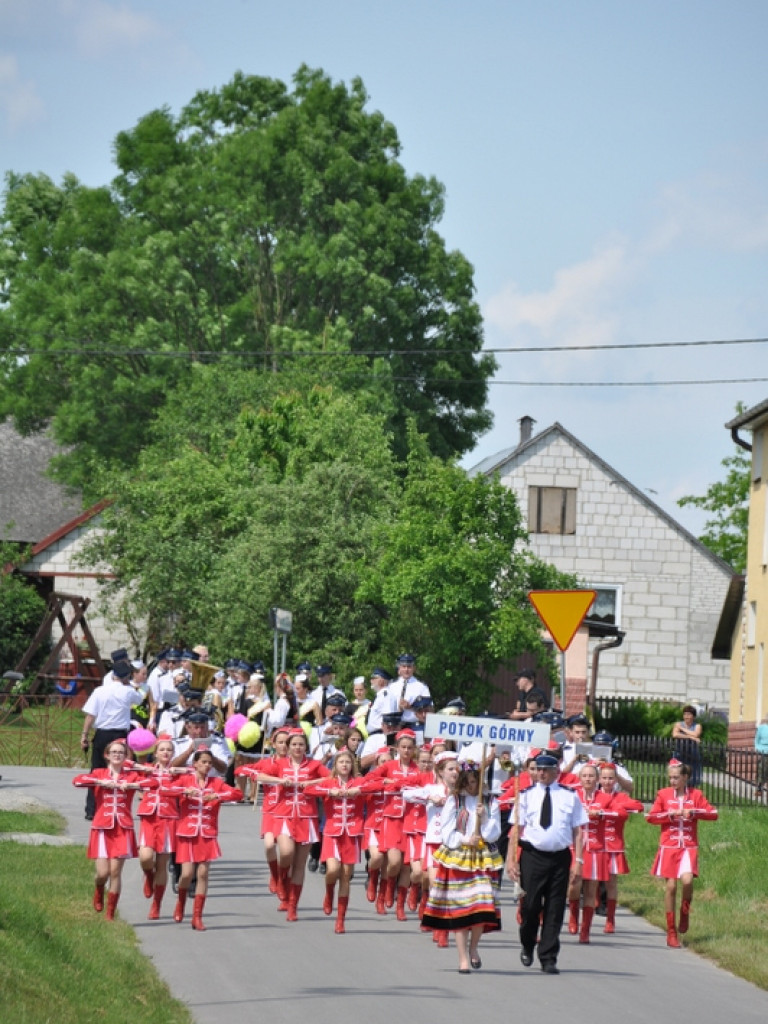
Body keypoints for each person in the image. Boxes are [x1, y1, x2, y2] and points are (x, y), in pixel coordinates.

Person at [506, 751, 588, 975]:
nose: (541, 773)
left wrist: (578, 861)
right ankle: (528, 942)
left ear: (556, 772)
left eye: (545, 770)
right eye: (538, 769)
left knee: (555, 907)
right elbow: (516, 830)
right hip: (533, 856)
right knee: (531, 905)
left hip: (560, 856)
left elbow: (578, 831)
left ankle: (548, 956)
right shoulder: (525, 795)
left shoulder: (570, 796)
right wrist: (512, 860)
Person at [421, 759, 503, 974]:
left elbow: (495, 833)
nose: (470, 786)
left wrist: (484, 818)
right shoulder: (454, 801)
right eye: (467, 781)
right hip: (459, 857)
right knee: (461, 909)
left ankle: (474, 947)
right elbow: (446, 832)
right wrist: (464, 839)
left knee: (482, 905)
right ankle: (462, 957)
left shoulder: (489, 801)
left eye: (474, 781)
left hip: (483, 857)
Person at [303, 748, 385, 933]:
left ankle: (340, 919)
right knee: (332, 869)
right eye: (341, 762)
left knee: (346, 875)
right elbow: (308, 789)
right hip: (332, 832)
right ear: (336, 765)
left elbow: (379, 785)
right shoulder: (328, 782)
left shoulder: (359, 781)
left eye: (348, 762)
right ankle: (329, 891)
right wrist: (330, 792)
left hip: (353, 833)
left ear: (352, 765)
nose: (345, 765)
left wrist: (359, 789)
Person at [72, 737, 153, 920]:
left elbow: (152, 784)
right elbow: (77, 781)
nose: (117, 755)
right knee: (103, 873)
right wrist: (100, 783)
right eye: (114, 752)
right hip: (102, 827)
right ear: (107, 755)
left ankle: (110, 913)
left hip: (122, 828)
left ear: (126, 756)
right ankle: (99, 888)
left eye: (121, 753)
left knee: (116, 872)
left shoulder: (131, 775)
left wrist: (132, 785)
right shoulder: (99, 773)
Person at [256, 728, 331, 921]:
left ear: (306, 747)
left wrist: (313, 782)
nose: (297, 748)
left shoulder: (313, 765)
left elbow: (331, 778)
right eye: (294, 744)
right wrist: (281, 780)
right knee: (286, 852)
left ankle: (293, 905)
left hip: (306, 817)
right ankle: (281, 880)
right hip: (284, 815)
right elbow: (259, 776)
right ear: (288, 748)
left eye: (301, 744)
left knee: (299, 865)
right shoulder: (279, 763)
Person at [162, 750, 242, 930]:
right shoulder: (185, 780)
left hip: (207, 833)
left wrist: (218, 796)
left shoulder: (216, 783)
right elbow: (165, 789)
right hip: (187, 833)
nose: (207, 766)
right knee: (187, 874)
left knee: (203, 874)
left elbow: (238, 794)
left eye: (210, 763)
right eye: (204, 762)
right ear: (195, 764)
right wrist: (184, 791)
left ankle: (197, 917)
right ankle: (181, 902)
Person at [646, 758, 718, 948]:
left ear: (685, 777)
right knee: (670, 887)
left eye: (676, 777)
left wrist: (693, 812)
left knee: (687, 881)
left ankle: (684, 911)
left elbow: (713, 814)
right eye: (670, 778)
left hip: (688, 846)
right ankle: (671, 931)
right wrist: (670, 815)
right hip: (669, 846)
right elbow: (651, 817)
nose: (673, 781)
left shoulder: (696, 794)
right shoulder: (663, 794)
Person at [79, 659, 145, 820]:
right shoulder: (127, 691)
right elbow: (139, 700)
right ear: (126, 676)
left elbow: (90, 716)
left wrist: (84, 735)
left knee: (96, 769)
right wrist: (129, 684)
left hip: (101, 733)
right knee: (121, 771)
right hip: (119, 735)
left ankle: (91, 809)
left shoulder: (99, 691)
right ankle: (119, 806)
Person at [136, 735, 179, 920]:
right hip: (149, 817)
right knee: (145, 857)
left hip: (169, 819)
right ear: (155, 753)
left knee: (162, 863)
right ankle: (148, 874)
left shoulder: (178, 772)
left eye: (169, 749)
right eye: (162, 749)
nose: (165, 753)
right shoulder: (147, 770)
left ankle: (157, 905)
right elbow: (129, 769)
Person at [597, 763, 644, 934]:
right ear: (599, 779)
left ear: (616, 780)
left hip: (613, 845)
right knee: (590, 882)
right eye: (604, 778)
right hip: (594, 845)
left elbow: (638, 806)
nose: (608, 781)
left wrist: (618, 807)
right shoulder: (593, 796)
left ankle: (610, 919)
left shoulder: (620, 797)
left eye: (611, 778)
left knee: (611, 882)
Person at [567, 761, 611, 943]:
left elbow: (618, 813)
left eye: (591, 776)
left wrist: (601, 813)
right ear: (580, 778)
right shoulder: (572, 795)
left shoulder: (605, 797)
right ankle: (573, 914)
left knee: (591, 889)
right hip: (574, 847)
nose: (588, 779)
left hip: (595, 848)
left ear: (598, 779)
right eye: (584, 776)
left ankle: (586, 930)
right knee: (573, 886)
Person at [388, 653, 432, 726]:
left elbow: (430, 710)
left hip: (415, 726)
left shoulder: (421, 686)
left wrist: (411, 707)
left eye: (409, 667)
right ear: (399, 668)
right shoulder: (392, 686)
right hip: (396, 726)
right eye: (404, 666)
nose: (406, 669)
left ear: (414, 668)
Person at [672, 705, 703, 786]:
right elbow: (675, 735)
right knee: (678, 777)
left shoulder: (697, 726)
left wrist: (682, 729)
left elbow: (696, 734)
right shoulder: (678, 724)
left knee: (693, 779)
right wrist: (689, 737)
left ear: (694, 716)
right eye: (685, 714)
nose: (686, 716)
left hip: (692, 755)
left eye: (689, 714)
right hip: (679, 754)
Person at [755, 713, 768, 798]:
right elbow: (757, 740)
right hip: (764, 752)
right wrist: (758, 749)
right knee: (762, 770)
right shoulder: (762, 728)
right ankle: (759, 788)